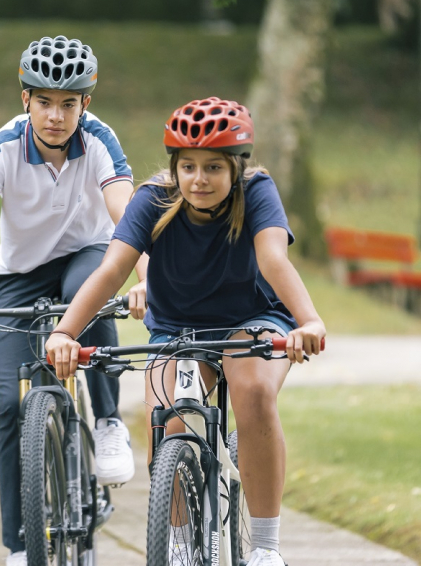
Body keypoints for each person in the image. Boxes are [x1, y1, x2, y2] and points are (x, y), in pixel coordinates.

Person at [45, 97, 326, 566]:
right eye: (189, 166)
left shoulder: (257, 192)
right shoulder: (152, 199)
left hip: (253, 318)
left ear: (236, 168)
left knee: (252, 389)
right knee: (168, 417)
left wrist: (310, 321)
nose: (199, 179)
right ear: (174, 167)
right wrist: (66, 332)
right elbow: (113, 268)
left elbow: (273, 259)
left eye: (214, 167)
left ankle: (265, 547)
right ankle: (175, 542)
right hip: (178, 325)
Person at [0, 35, 147, 566]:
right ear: (26, 100)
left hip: (88, 257)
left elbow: (126, 218)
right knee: (9, 407)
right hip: (19, 275)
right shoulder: (1, 145)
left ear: (86, 104)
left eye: (69, 103)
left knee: (84, 291)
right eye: (44, 101)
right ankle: (20, 547)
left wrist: (144, 280)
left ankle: (108, 421)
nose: (56, 116)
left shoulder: (100, 139)